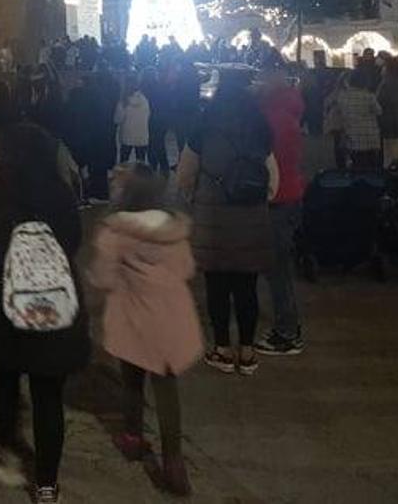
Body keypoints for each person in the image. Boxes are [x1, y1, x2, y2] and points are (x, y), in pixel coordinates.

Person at [0, 123, 89, 503]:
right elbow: (74, 240)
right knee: (47, 396)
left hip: (7, 303)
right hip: (54, 305)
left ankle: (6, 447)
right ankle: (46, 483)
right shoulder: (60, 192)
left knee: (4, 380)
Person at [88, 163, 200, 497]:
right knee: (167, 390)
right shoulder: (174, 230)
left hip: (134, 317)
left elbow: (104, 277)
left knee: (132, 381)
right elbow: (187, 268)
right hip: (171, 318)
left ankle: (134, 437)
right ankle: (174, 461)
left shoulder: (117, 231)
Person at [177, 73, 277, 376]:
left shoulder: (203, 126)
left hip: (214, 220)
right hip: (250, 217)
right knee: (247, 287)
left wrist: (196, 198)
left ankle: (221, 347)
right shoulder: (260, 127)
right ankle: (247, 351)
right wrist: (261, 201)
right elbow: (272, 176)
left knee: (217, 287)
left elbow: (185, 174)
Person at [254, 67, 306, 356]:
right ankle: (285, 324)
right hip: (289, 192)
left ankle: (287, 331)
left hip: (277, 196)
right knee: (277, 266)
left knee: (277, 268)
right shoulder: (288, 111)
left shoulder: (272, 120)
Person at [336, 69, 382, 170]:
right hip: (370, 137)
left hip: (352, 136)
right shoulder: (369, 96)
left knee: (357, 165)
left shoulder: (342, 96)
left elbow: (340, 113)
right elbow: (379, 111)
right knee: (371, 167)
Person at [114, 81, 151, 165]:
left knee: (124, 161)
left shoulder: (123, 102)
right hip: (142, 135)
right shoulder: (144, 99)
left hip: (127, 136)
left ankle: (122, 177)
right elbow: (148, 114)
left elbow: (117, 119)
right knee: (141, 163)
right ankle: (140, 177)